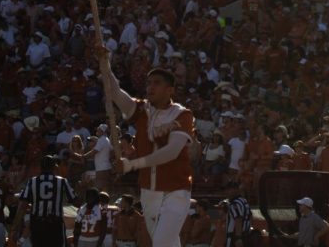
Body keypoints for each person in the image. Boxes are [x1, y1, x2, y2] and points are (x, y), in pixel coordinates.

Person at [97, 42, 195, 247]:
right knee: (168, 244)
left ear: (170, 90)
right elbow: (115, 93)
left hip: (176, 190)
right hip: (148, 192)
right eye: (149, 82)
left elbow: (171, 152)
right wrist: (105, 63)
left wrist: (132, 164)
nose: (150, 87)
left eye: (156, 83)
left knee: (160, 243)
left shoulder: (182, 114)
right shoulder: (142, 110)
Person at [15, 155, 77, 247]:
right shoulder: (62, 181)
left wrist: (15, 226)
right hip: (55, 224)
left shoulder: (33, 181)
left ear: (41, 167)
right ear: (54, 166)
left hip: (38, 224)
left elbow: (23, 205)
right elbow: (74, 200)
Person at [221, 181, 251, 247]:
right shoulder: (244, 201)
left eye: (228, 190)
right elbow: (250, 217)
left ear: (235, 190)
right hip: (246, 235)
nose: (226, 192)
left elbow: (238, 219)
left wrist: (238, 238)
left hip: (234, 236)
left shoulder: (235, 204)